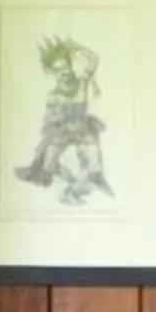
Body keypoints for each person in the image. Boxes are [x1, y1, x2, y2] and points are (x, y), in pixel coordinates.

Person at [14, 35, 112, 206]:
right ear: (52, 72)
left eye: (65, 67)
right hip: (62, 131)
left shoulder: (82, 79)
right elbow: (52, 116)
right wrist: (54, 119)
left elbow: (92, 58)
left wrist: (72, 48)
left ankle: (70, 193)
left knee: (95, 167)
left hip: (82, 130)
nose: (63, 73)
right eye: (57, 70)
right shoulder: (55, 92)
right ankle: (55, 169)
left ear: (71, 64)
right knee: (47, 171)